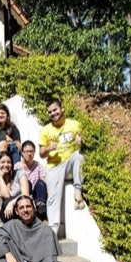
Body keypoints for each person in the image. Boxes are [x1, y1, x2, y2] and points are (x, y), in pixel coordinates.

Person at [39, 99, 85, 233]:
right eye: (50, 112)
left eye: (55, 110)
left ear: (62, 109)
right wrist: (48, 148)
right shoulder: (46, 130)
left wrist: (80, 142)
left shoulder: (75, 124)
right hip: (54, 166)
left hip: (70, 164)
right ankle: (53, 231)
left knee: (79, 156)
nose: (53, 113)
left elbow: (83, 144)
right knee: (53, 198)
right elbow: (41, 153)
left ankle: (78, 193)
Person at [0, 151, 30, 223]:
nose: (6, 164)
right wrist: (0, 177)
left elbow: (26, 194)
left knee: (7, 203)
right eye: (2, 162)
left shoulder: (20, 173)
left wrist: (12, 203)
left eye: (9, 162)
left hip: (22, 206)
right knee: (6, 203)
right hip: (7, 211)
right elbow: (6, 196)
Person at [15, 140, 48, 220]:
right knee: (27, 182)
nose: (29, 154)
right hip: (24, 194)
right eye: (26, 151)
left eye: (31, 151)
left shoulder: (39, 166)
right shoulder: (17, 167)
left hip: (37, 195)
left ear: (34, 152)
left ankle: (41, 206)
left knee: (41, 183)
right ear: (22, 153)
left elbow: (43, 180)